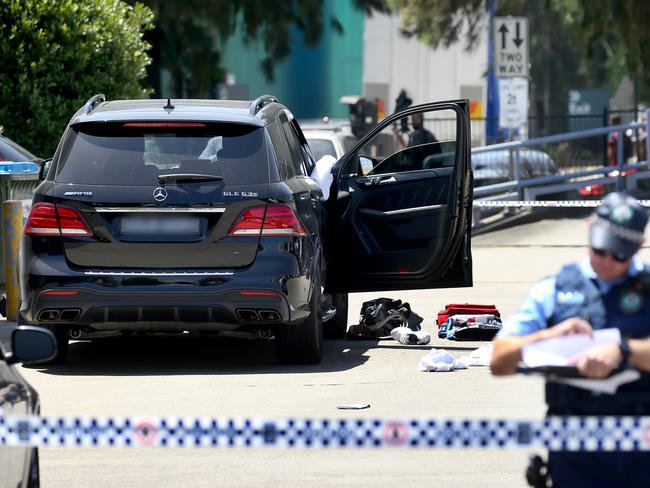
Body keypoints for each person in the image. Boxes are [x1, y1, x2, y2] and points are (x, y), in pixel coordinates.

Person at [490, 191, 650, 487]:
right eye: (601, 249)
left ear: (639, 246)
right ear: (590, 229)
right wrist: (546, 335)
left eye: (621, 254)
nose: (608, 261)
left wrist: (623, 351)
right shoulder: (553, 290)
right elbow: (499, 360)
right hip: (575, 456)